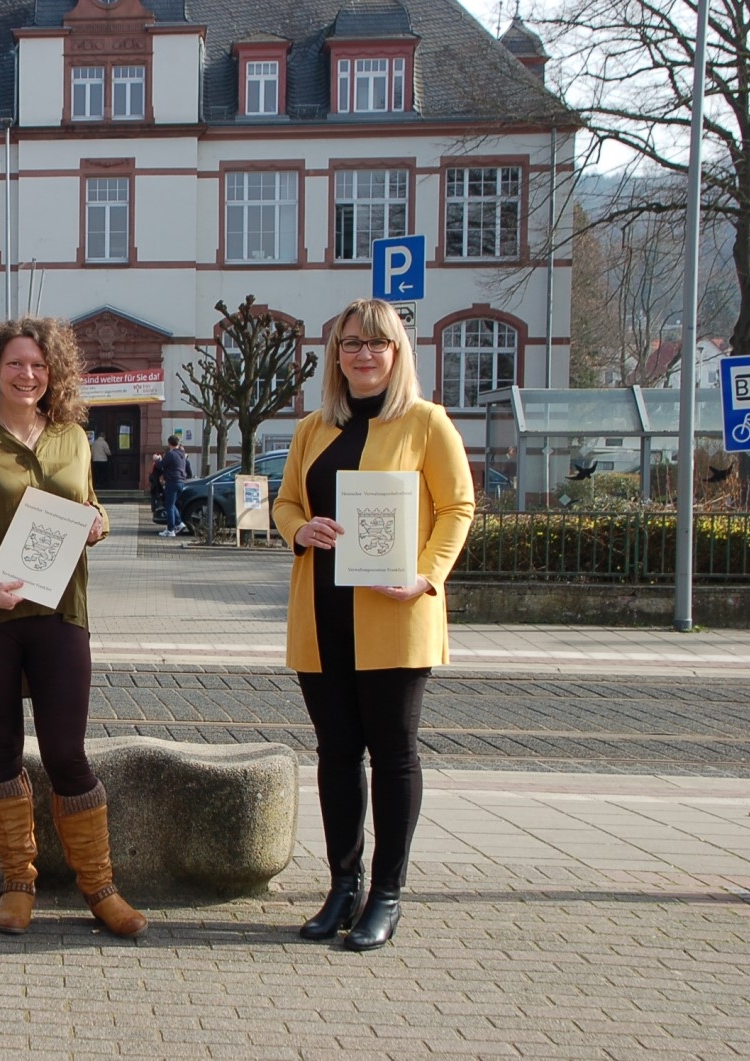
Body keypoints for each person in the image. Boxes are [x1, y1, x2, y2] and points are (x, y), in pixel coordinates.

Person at [0, 317, 147, 939]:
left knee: (67, 753)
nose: (28, 375)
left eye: (39, 366)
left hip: (60, 612)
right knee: (0, 751)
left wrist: (99, 522)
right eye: (16, 364)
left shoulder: (72, 437)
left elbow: (89, 503)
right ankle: (17, 881)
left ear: (54, 374)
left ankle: (99, 887)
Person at [271, 298, 474, 951]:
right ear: (336, 355)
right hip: (322, 613)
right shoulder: (313, 428)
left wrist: (427, 574)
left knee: (392, 754)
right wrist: (299, 528)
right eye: (351, 343)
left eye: (377, 343)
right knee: (335, 754)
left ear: (397, 351)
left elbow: (458, 507)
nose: (364, 354)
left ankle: (386, 892)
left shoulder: (426, 422)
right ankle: (343, 886)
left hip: (394, 611)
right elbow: (286, 501)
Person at [157, 435, 191, 537]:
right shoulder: (182, 454)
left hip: (172, 482)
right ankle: (179, 523)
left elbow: (160, 465)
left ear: (169, 443)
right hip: (181, 482)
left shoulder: (170, 454)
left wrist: (157, 459)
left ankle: (171, 529)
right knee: (171, 504)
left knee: (169, 506)